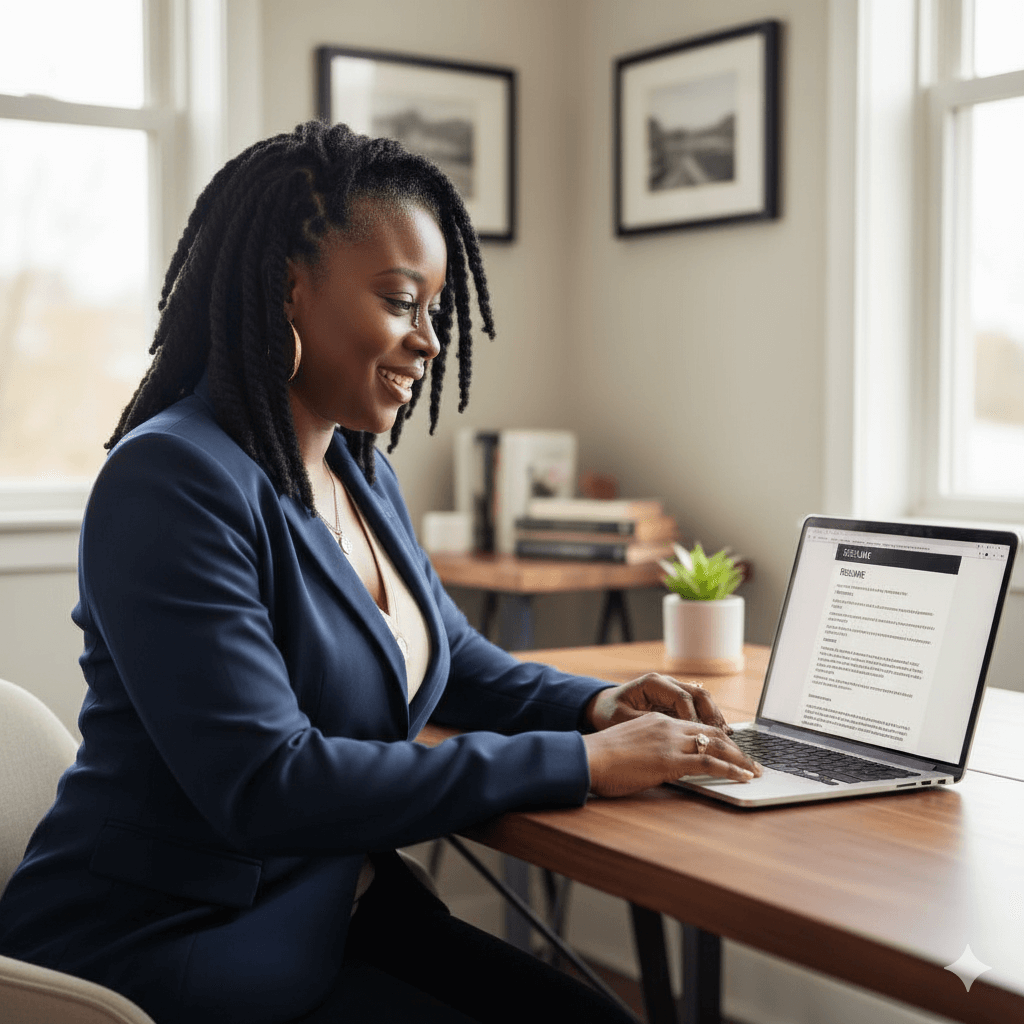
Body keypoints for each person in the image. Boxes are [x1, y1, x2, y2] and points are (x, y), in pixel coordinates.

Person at [0, 121, 760, 1024]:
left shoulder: (358, 468)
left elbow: (451, 659)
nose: (430, 341)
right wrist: (582, 763)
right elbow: (268, 784)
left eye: (435, 308)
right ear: (287, 285)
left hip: (330, 907)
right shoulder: (171, 479)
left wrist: (598, 707)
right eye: (402, 302)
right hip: (181, 945)